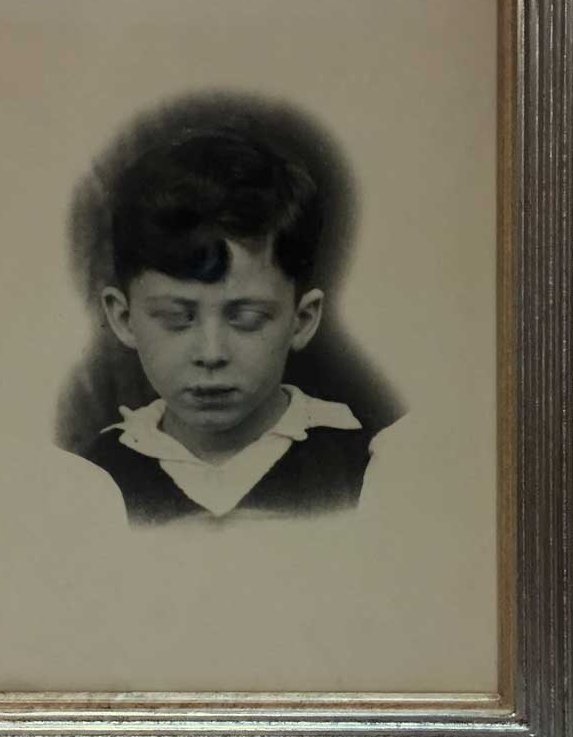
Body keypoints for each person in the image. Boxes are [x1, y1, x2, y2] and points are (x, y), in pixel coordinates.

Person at [80, 120, 377, 526]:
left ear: (302, 319)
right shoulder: (91, 478)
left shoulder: (364, 468)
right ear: (122, 318)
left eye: (247, 319)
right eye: (176, 318)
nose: (211, 353)